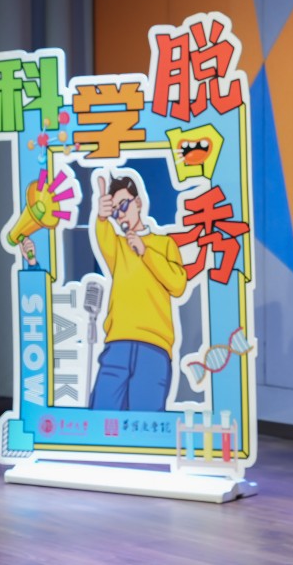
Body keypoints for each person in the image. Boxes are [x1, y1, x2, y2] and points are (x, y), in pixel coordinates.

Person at [89, 171, 188, 411]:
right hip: (117, 344)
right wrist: (101, 216)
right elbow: (103, 235)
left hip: (153, 347)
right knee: (102, 413)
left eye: (123, 205)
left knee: (146, 417)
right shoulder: (118, 247)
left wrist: (145, 251)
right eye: (115, 211)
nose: (121, 214)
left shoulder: (164, 244)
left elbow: (178, 284)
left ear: (138, 202)